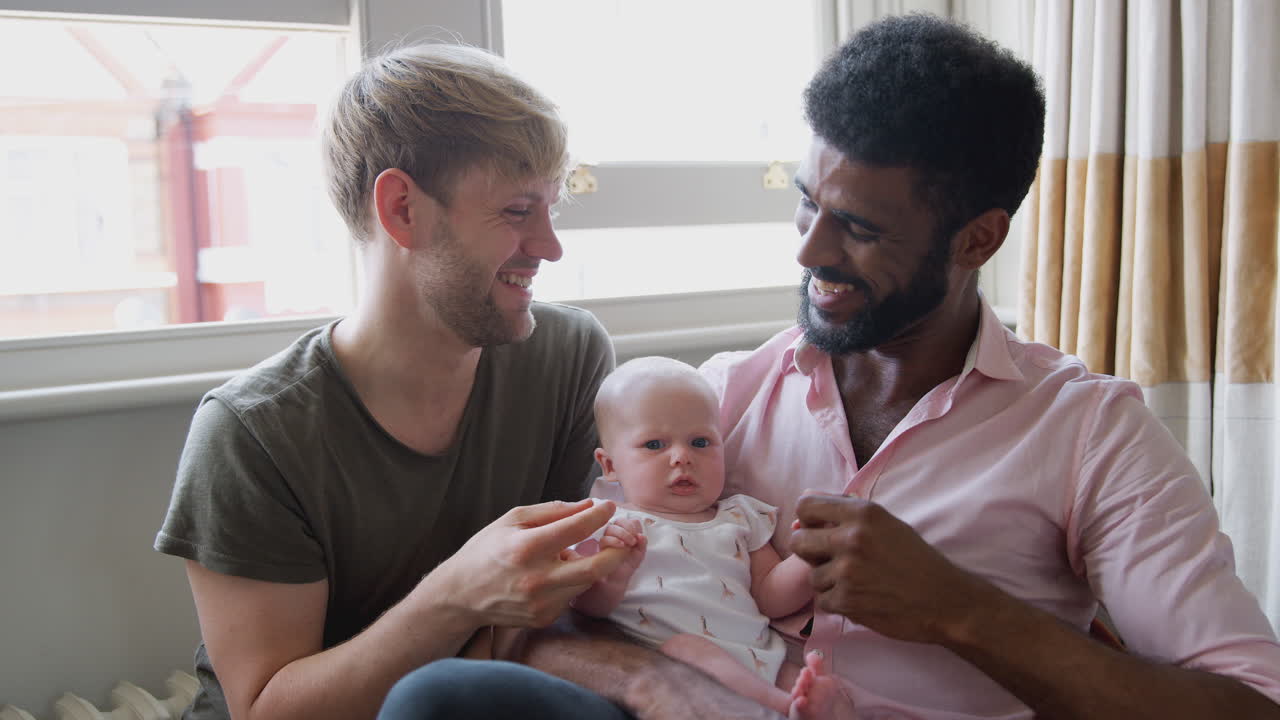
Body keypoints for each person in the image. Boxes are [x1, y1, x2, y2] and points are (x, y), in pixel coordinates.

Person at [506, 13, 1280, 720]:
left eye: (859, 227)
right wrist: (653, 681)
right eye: (808, 202)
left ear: (978, 240)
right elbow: (527, 627)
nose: (809, 251)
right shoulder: (715, 403)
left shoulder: (1091, 433)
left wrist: (960, 612)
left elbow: (1250, 702)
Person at [153, 43, 635, 720]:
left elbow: (558, 611)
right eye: (519, 211)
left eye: (552, 209)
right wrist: (457, 595)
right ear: (403, 210)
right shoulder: (251, 434)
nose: (550, 246)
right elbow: (267, 710)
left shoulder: (569, 356)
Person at [572, 356, 849, 718]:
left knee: (835, 695)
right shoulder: (607, 523)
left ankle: (800, 705)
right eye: (655, 445)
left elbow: (770, 597)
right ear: (609, 465)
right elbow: (583, 608)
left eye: (701, 442)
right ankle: (784, 708)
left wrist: (809, 557)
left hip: (760, 658)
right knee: (688, 648)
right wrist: (614, 577)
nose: (682, 457)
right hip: (667, 668)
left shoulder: (741, 516)